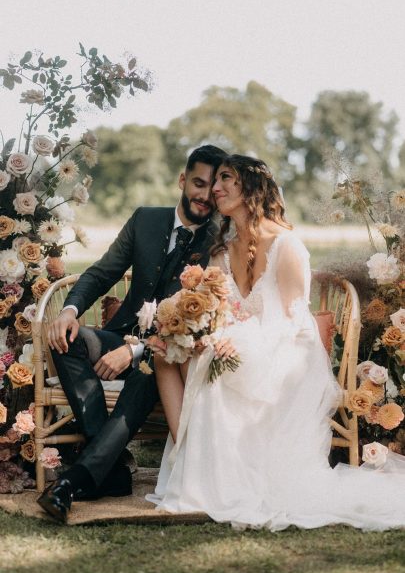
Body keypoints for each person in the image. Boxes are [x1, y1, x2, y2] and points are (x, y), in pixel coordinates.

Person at [147, 154, 405, 531]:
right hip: (239, 344)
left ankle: (213, 479)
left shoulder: (287, 246)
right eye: (214, 181)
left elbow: (290, 322)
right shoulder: (222, 250)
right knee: (182, 353)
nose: (216, 188)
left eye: (225, 179)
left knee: (215, 369)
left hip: (287, 355)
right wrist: (209, 334)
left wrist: (236, 341)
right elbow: (222, 312)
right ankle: (193, 468)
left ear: (250, 188)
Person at [37, 144, 228, 522]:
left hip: (170, 357)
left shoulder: (219, 244)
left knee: (151, 370)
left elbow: (200, 324)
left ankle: (72, 482)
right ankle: (107, 469)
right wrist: (71, 312)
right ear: (182, 180)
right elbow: (101, 272)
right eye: (197, 183)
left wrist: (138, 350)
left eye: (212, 188)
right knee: (67, 339)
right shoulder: (146, 220)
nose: (204, 195)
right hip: (117, 336)